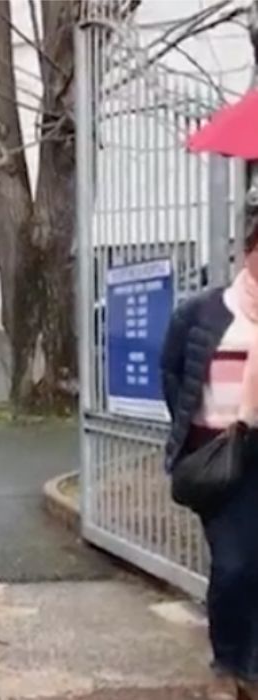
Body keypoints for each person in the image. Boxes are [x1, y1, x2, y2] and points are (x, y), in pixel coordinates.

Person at [162, 216, 258, 700]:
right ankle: (228, 664)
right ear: (250, 252)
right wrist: (209, 431)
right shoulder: (200, 313)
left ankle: (249, 666)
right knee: (236, 563)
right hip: (219, 456)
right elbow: (174, 377)